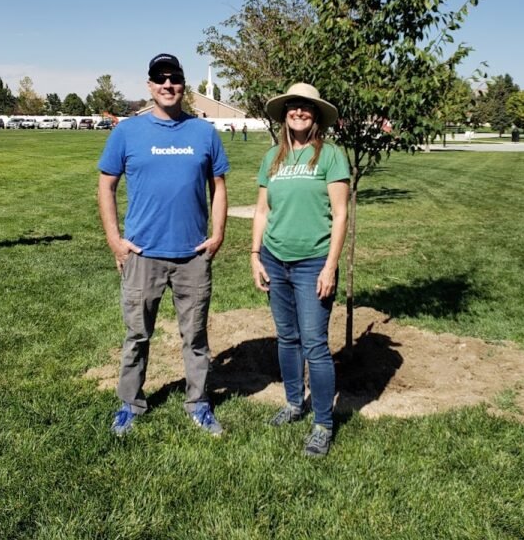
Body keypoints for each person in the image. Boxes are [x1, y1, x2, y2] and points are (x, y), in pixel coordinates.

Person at [98, 53, 229, 437]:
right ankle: (130, 403)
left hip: (193, 256)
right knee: (137, 335)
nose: (168, 84)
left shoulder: (203, 133)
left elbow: (219, 186)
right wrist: (115, 241)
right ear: (150, 85)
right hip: (143, 255)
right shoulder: (127, 132)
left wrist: (217, 234)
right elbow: (106, 185)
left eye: (174, 78)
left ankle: (198, 403)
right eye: (160, 78)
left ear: (183, 85)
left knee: (196, 336)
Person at [250, 83, 349, 457]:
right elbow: (262, 210)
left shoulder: (330, 156)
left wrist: (330, 265)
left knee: (315, 344)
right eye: (293, 105)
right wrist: (255, 254)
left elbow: (340, 214)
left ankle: (323, 424)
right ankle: (294, 403)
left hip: (313, 263)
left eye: (306, 106)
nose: (299, 111)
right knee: (287, 338)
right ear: (285, 113)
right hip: (275, 259)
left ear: (316, 114)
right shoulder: (272, 158)